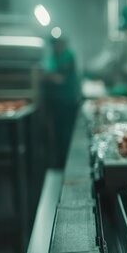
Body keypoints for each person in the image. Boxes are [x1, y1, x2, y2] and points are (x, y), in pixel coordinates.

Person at [45, 37, 81, 166]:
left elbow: (60, 78)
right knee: (60, 134)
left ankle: (66, 161)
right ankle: (61, 160)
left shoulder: (68, 56)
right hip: (58, 101)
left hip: (67, 100)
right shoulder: (54, 56)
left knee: (66, 133)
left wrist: (48, 76)